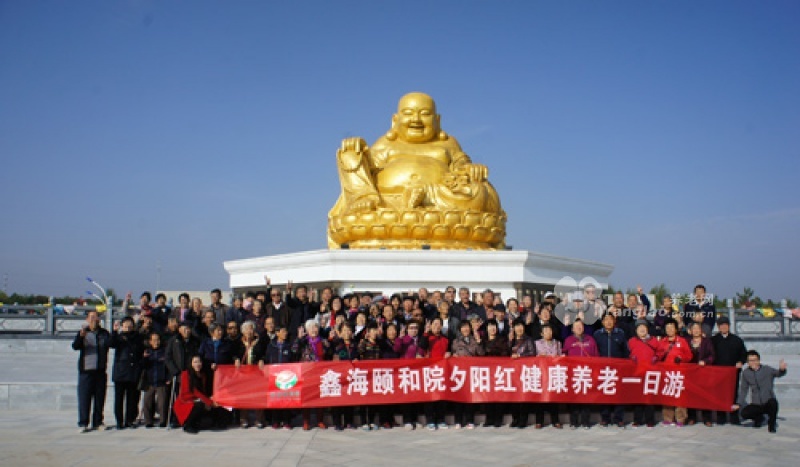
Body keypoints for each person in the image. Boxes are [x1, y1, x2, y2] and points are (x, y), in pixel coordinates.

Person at [72, 310, 111, 432]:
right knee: (84, 398)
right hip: (86, 371)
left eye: (96, 317)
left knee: (99, 398)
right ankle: (83, 422)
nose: (94, 319)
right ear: (87, 320)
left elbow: (111, 343)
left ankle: (98, 421)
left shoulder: (104, 333)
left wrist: (115, 332)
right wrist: (80, 337)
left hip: (100, 370)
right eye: (92, 317)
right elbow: (75, 346)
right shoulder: (83, 332)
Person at [733, 350, 788, 433]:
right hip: (756, 403)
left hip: (768, 401)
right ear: (747, 362)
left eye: (755, 360)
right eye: (750, 361)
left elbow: (778, 373)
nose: (753, 363)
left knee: (773, 403)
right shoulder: (746, 373)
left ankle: (772, 424)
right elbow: (744, 389)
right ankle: (759, 418)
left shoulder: (767, 369)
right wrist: (739, 403)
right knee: (744, 413)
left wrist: (782, 370)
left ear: (759, 360)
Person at [292, 320, 332, 430]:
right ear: (307, 330)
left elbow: (330, 352)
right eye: (311, 328)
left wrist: (333, 339)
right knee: (307, 398)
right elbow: (294, 350)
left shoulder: (323, 341)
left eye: (316, 327)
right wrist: (299, 338)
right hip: (307, 374)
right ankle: (306, 421)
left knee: (320, 398)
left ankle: (320, 420)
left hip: (321, 373)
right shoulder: (303, 341)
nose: (314, 330)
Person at [174, 355, 229, 434]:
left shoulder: (202, 374)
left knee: (210, 418)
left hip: (199, 399)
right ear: (191, 364)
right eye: (195, 362)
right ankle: (187, 425)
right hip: (186, 402)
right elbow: (195, 392)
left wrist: (211, 399)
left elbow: (203, 391)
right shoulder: (186, 374)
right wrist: (209, 402)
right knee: (200, 405)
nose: (198, 364)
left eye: (199, 362)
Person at [655, 319, 693, 427]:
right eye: (667, 328)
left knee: (680, 396)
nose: (670, 330)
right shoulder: (662, 342)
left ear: (676, 329)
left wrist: (681, 358)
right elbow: (658, 355)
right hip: (666, 373)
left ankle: (680, 419)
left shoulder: (682, 341)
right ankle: (668, 418)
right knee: (667, 395)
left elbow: (689, 355)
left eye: (672, 327)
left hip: (679, 373)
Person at [593, 312, 628, 427]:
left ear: (614, 321)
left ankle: (618, 418)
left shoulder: (620, 333)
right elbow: (595, 351)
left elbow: (625, 351)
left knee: (619, 394)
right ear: (602, 322)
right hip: (602, 370)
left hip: (618, 369)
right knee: (604, 394)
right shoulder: (597, 334)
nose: (608, 322)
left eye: (610, 319)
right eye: (606, 320)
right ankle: (605, 417)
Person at [109, 316, 144, 430]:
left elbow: (140, 352)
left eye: (130, 325)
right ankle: (119, 421)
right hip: (120, 372)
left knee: (132, 399)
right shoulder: (118, 337)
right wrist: (114, 331)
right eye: (125, 325)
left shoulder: (138, 337)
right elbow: (111, 343)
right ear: (122, 326)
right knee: (119, 399)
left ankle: (129, 420)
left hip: (133, 371)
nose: (128, 327)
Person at [712, 316, 747, 425]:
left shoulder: (737, 340)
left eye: (725, 325)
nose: (723, 327)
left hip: (733, 372)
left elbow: (743, 354)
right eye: (721, 325)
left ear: (729, 326)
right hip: (718, 373)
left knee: (733, 394)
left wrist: (741, 362)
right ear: (718, 327)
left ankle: (733, 417)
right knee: (719, 394)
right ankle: (721, 417)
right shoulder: (714, 340)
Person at [450, 320, 485, 429]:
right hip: (459, 373)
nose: (465, 329)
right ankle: (458, 420)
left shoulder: (474, 340)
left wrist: (479, 341)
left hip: (471, 373)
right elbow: (453, 354)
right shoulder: (455, 342)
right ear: (460, 329)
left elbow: (481, 354)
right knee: (458, 397)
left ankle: (470, 420)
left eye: (467, 327)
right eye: (463, 327)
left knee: (470, 397)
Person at [394, 319, 428, 429]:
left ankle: (415, 419)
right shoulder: (403, 340)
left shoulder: (420, 340)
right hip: (405, 372)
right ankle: (407, 420)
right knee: (406, 397)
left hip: (418, 372)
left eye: (416, 328)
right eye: (411, 328)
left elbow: (423, 352)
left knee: (416, 396)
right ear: (407, 329)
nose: (414, 330)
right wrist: (400, 337)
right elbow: (396, 349)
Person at [563, 319, 596, 428]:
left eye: (580, 326)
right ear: (572, 329)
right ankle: (574, 421)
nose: (579, 328)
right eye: (576, 326)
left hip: (587, 373)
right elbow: (564, 354)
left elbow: (597, 356)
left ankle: (585, 421)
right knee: (574, 398)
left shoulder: (590, 340)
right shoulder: (568, 340)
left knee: (587, 398)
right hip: (573, 373)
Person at [235, 321, 266, 429]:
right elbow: (233, 354)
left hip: (256, 373)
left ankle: (259, 419)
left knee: (258, 396)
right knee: (244, 397)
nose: (249, 331)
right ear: (243, 331)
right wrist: (236, 359)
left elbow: (264, 354)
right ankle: (244, 419)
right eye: (247, 329)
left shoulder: (259, 342)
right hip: (243, 374)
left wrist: (262, 360)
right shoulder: (238, 342)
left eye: (251, 329)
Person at [628, 321, 658, 427]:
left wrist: (656, 357)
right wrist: (631, 358)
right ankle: (638, 420)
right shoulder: (632, 341)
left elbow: (660, 352)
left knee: (649, 397)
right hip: (637, 373)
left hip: (650, 373)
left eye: (644, 327)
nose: (642, 329)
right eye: (639, 327)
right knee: (638, 397)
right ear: (636, 330)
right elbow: (627, 353)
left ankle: (650, 420)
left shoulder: (654, 340)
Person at [686, 321, 716, 426]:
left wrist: (705, 361)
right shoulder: (687, 341)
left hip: (703, 372)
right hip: (690, 372)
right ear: (690, 331)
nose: (696, 330)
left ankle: (707, 418)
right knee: (691, 395)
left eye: (698, 328)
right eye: (694, 328)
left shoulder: (707, 341)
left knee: (704, 395)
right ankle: (691, 417)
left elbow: (712, 355)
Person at [423, 317, 450, 430]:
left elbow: (448, 350)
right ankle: (430, 420)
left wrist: (449, 353)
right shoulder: (427, 337)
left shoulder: (445, 339)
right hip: (429, 370)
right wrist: (425, 332)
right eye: (435, 324)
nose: (437, 326)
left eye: (439, 324)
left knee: (441, 396)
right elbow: (421, 347)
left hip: (442, 371)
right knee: (430, 397)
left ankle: (441, 419)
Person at [331, 322, 360, 431]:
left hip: (351, 376)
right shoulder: (336, 344)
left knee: (349, 398)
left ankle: (349, 421)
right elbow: (331, 356)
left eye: (349, 330)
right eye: (344, 330)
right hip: (338, 375)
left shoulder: (355, 345)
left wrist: (358, 360)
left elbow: (359, 356)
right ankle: (337, 423)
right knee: (338, 399)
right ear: (340, 332)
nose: (347, 333)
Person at [534, 323, 563, 429]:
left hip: (553, 373)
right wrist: (539, 357)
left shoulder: (557, 343)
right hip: (541, 373)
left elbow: (561, 356)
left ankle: (555, 420)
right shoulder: (537, 343)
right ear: (541, 333)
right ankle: (539, 421)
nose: (548, 333)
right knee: (540, 398)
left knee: (553, 397)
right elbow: (533, 357)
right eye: (545, 331)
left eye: (549, 330)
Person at [264, 325, 293, 429]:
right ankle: (275, 420)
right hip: (274, 376)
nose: (285, 333)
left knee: (286, 399)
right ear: (277, 333)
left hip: (287, 376)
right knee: (275, 399)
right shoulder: (271, 345)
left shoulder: (289, 345)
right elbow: (267, 358)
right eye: (283, 331)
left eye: (286, 331)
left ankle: (286, 421)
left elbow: (293, 359)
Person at [509, 319, 536, 428]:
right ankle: (515, 418)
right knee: (513, 396)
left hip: (524, 371)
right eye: (517, 326)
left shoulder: (528, 340)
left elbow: (532, 353)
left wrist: (520, 357)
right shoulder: (511, 340)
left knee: (523, 396)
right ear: (514, 328)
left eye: (521, 326)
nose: (519, 329)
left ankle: (523, 420)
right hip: (512, 371)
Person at [141, 332, 169, 428]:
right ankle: (148, 421)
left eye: (157, 340)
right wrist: (144, 358)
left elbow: (168, 366)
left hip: (162, 381)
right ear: (150, 342)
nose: (156, 342)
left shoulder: (164, 352)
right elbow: (143, 366)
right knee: (147, 402)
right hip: (150, 381)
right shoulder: (147, 352)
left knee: (162, 402)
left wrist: (168, 377)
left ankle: (163, 420)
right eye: (154, 340)